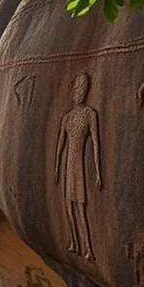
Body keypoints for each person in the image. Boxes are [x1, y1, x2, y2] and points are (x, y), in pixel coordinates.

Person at [54, 70, 102, 262]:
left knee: (81, 207)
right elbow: (60, 146)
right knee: (68, 206)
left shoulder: (90, 114)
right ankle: (75, 242)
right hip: (68, 165)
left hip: (79, 164)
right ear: (73, 90)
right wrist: (57, 168)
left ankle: (89, 247)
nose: (79, 92)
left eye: (83, 88)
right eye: (77, 88)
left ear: (86, 91)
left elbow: (96, 144)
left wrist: (98, 172)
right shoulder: (67, 117)